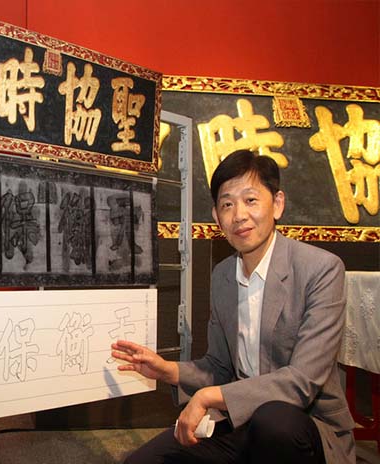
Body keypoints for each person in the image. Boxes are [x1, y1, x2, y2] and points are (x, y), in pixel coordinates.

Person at [112, 149, 355, 463]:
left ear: (277, 204)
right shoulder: (223, 275)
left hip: (304, 426)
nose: (239, 215)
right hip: (241, 418)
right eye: (227, 204)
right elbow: (220, 367)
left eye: (250, 200)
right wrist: (167, 370)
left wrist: (210, 396)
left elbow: (302, 381)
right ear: (217, 217)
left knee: (274, 422)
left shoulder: (321, 269)